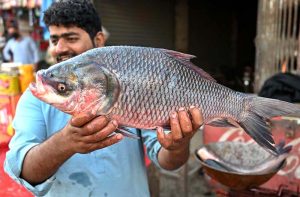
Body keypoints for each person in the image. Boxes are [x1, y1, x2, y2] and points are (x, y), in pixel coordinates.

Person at [4, 0, 203, 196]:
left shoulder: (134, 84)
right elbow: (24, 171)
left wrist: (178, 145)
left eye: (71, 38)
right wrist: (65, 142)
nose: (60, 48)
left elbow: (168, 160)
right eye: (54, 40)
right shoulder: (38, 96)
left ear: (99, 40)